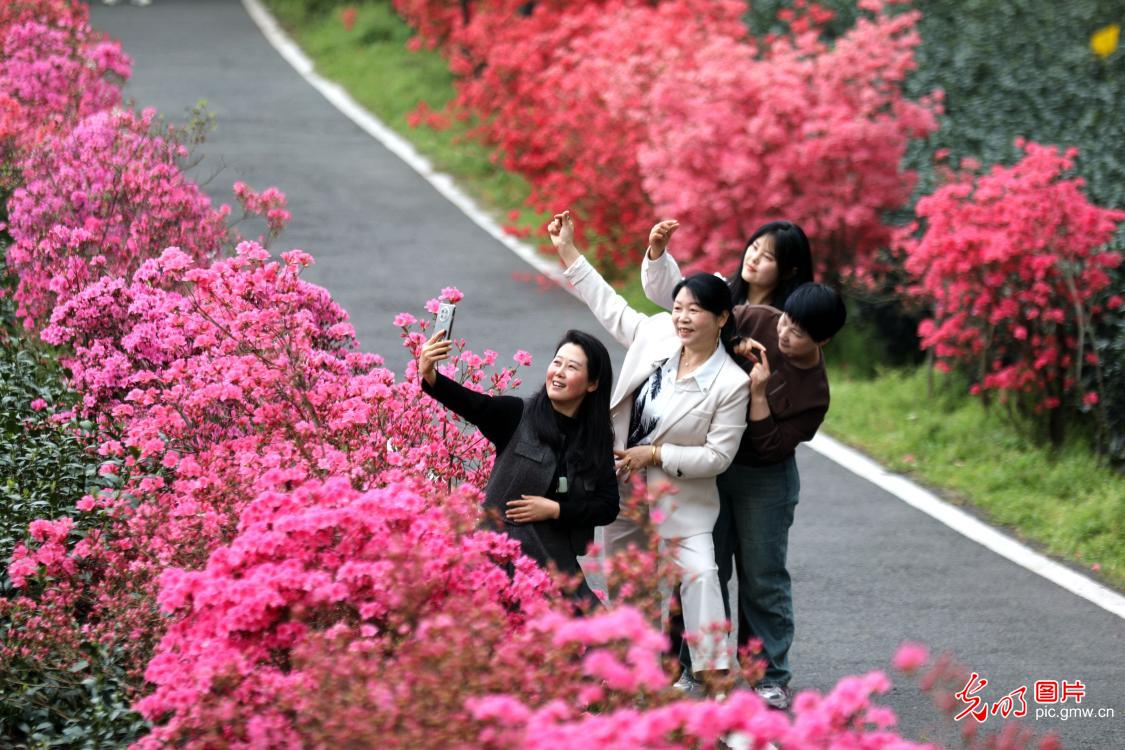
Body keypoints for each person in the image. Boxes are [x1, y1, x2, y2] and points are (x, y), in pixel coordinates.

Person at [642, 220, 846, 708]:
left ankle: (767, 673)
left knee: (762, 575)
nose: (784, 332)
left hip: (763, 478)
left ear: (822, 342)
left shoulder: (813, 392)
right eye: (785, 323)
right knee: (700, 566)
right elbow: (695, 319)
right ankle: (692, 663)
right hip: (712, 467)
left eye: (797, 333)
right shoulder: (754, 316)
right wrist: (731, 344)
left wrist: (757, 394)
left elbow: (774, 446)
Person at [547, 210, 750, 683]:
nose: (681, 317)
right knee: (628, 590)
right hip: (621, 490)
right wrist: (569, 253)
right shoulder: (658, 333)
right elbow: (609, 305)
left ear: (721, 318)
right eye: (678, 307)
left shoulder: (731, 382)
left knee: (701, 577)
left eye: (694, 310)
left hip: (680, 502)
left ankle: (718, 685)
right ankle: (636, 686)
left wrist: (656, 455)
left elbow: (718, 457)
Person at [418, 328, 619, 607]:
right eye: (557, 362)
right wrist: (430, 375)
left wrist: (556, 509)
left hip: (556, 567)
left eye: (571, 367)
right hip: (497, 564)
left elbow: (608, 505)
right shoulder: (516, 415)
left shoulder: (596, 439)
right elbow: (474, 405)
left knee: (597, 640)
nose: (559, 372)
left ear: (592, 384)